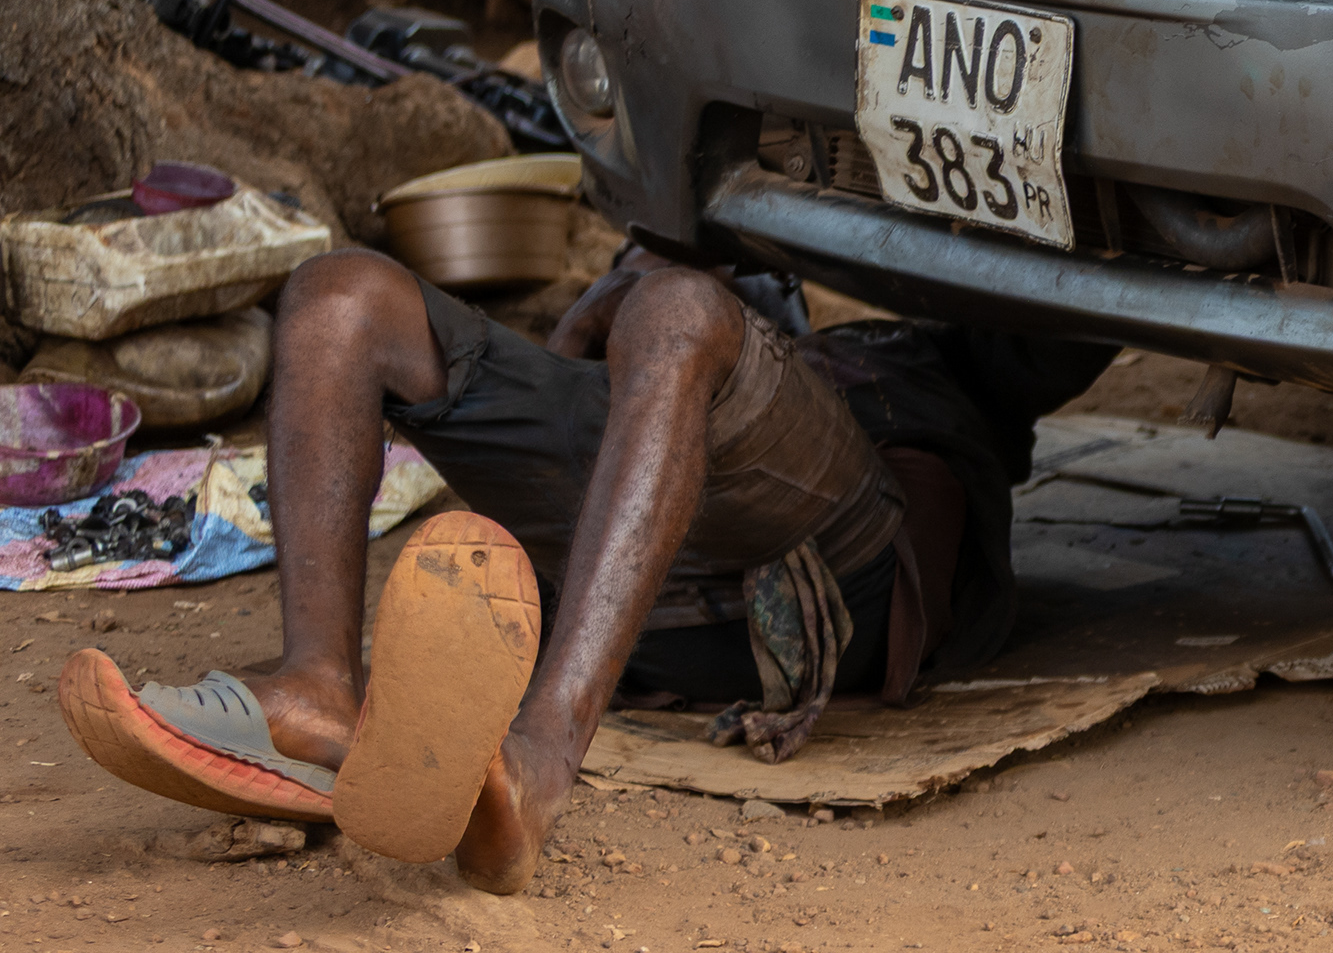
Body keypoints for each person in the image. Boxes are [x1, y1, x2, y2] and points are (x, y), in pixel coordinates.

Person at [58, 245, 1115, 890]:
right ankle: (317, 688)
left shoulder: (940, 361)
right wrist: (613, 300)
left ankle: (539, 760)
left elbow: (1085, 311)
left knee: (684, 308)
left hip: (823, 569)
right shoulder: (684, 281)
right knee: (340, 293)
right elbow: (577, 352)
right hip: (622, 546)